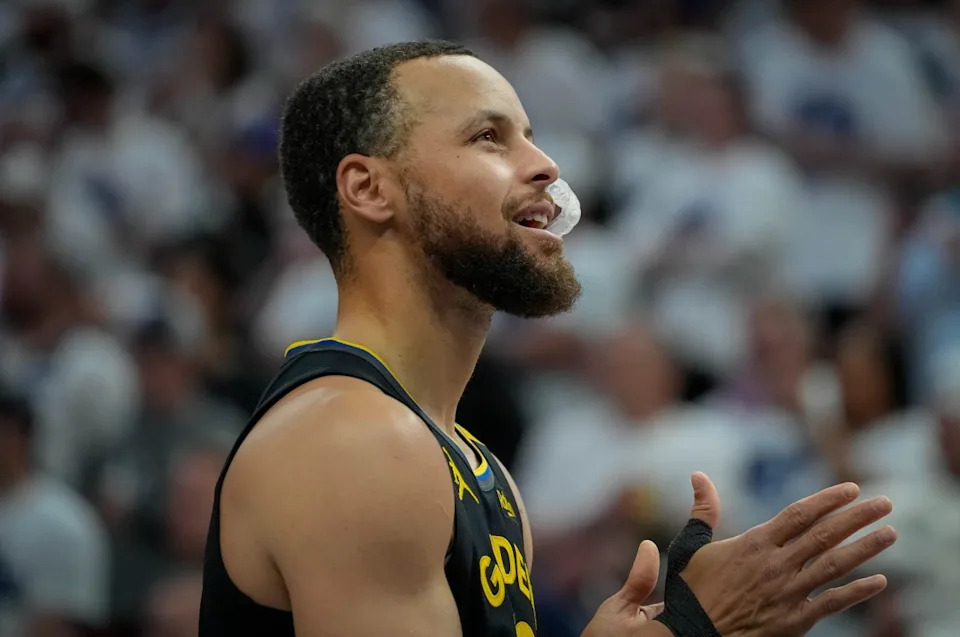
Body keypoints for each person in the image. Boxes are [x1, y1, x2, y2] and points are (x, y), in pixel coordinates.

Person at [199, 41, 897, 637]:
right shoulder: (353, 442)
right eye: (488, 137)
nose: (547, 166)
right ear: (370, 189)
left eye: (531, 134)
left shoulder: (473, 465)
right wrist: (694, 624)